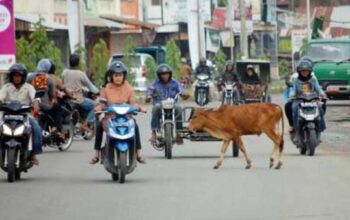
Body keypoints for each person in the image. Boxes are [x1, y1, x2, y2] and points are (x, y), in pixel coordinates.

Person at [90, 61, 147, 164]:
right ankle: (96, 154)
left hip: (126, 118)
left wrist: (139, 108)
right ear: (111, 76)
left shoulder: (128, 88)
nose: (118, 77)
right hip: (110, 118)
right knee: (99, 126)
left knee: (135, 126)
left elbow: (133, 102)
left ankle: (139, 153)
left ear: (123, 76)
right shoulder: (106, 88)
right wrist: (98, 108)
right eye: (116, 75)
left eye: (120, 75)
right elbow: (102, 103)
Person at [0, 63, 42, 165]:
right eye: (15, 75)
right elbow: (1, 97)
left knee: (36, 128)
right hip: (7, 116)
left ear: (23, 76)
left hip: (25, 116)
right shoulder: (6, 87)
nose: (17, 78)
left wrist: (35, 104)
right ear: (11, 76)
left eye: (19, 75)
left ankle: (33, 154)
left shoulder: (29, 87)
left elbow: (35, 98)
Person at [146, 64, 189, 146]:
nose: (165, 76)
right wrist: (149, 96)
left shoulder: (175, 83)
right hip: (160, 104)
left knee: (179, 108)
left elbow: (181, 92)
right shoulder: (155, 83)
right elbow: (149, 92)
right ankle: (154, 133)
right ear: (159, 75)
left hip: (172, 104)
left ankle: (179, 133)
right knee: (156, 107)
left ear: (170, 74)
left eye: (167, 74)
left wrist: (185, 95)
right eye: (162, 74)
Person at [285, 59, 327, 134]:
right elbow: (293, 90)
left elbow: (318, 88)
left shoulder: (313, 80)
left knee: (320, 108)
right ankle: (295, 127)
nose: (305, 72)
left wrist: (322, 94)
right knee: (294, 108)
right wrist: (292, 94)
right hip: (299, 99)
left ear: (309, 71)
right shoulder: (296, 80)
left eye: (306, 71)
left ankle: (320, 127)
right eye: (303, 71)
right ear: (299, 71)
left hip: (312, 99)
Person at [62, 54, 99, 131]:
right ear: (78, 63)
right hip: (78, 99)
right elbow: (90, 86)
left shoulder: (64, 73)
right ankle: (86, 123)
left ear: (69, 62)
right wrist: (98, 92)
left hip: (66, 99)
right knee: (96, 105)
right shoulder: (81, 74)